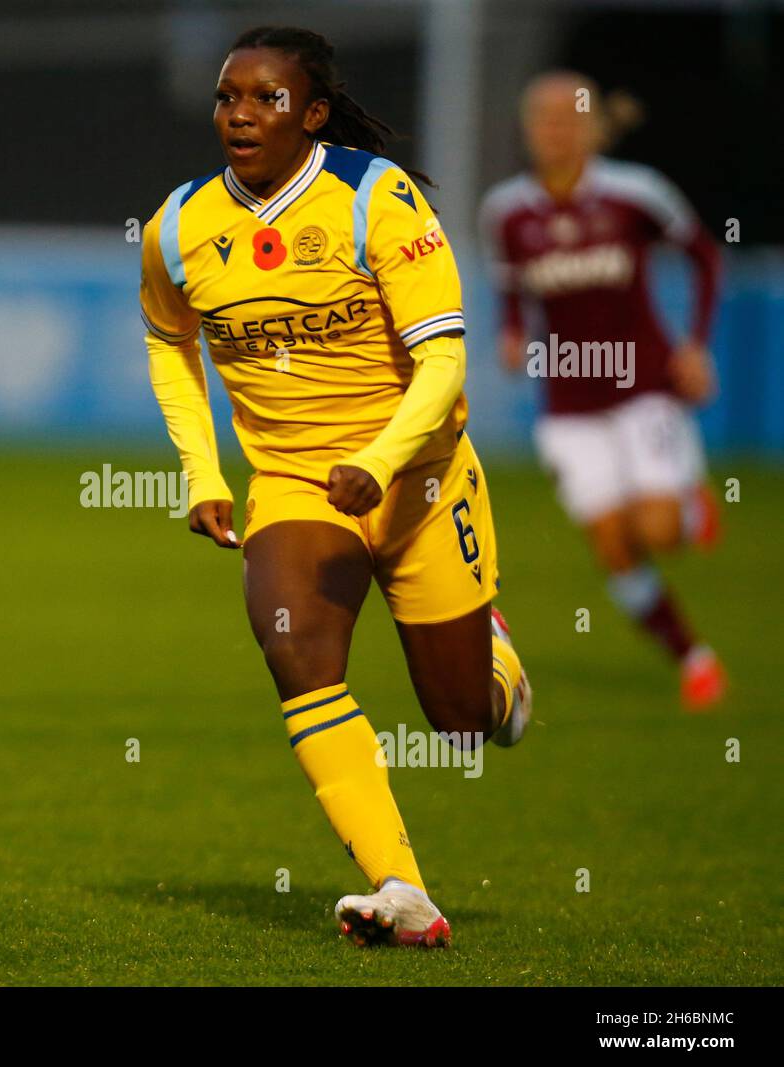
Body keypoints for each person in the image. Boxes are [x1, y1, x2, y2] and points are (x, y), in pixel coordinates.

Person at [140, 26, 531, 948]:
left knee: (461, 718)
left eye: (266, 98)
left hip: (420, 479)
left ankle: (495, 661)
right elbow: (168, 342)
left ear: (312, 116)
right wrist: (203, 470)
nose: (240, 113)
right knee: (297, 656)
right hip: (293, 483)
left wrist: (384, 461)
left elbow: (441, 360)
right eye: (228, 96)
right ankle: (403, 890)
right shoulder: (180, 227)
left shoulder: (372, 200)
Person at [480, 72, 724, 710]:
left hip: (644, 385)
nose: (556, 130)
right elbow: (512, 293)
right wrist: (511, 334)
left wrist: (696, 343)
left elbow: (705, 254)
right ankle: (693, 657)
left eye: (569, 118)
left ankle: (690, 505)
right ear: (530, 129)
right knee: (613, 543)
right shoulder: (506, 212)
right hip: (567, 400)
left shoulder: (634, 193)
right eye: (545, 119)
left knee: (661, 530)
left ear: (591, 127)